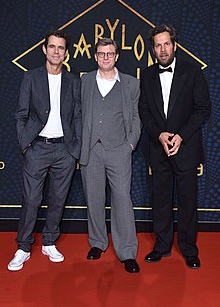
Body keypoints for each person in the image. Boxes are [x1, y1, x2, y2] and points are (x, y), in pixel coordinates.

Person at [8, 30, 81, 271]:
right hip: (37, 148)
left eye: (61, 48)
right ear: (44, 50)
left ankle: (50, 241)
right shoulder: (31, 78)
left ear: (66, 53)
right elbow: (21, 114)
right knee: (31, 199)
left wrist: (75, 149)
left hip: (64, 150)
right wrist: (25, 145)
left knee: (58, 199)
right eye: (52, 47)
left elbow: (78, 116)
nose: (56, 51)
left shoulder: (73, 81)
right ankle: (23, 246)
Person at [139, 24, 211, 269]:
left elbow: (203, 109)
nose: (162, 49)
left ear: (174, 45)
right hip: (159, 149)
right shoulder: (147, 75)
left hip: (186, 148)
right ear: (153, 49)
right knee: (160, 200)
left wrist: (180, 136)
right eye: (157, 45)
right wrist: (159, 134)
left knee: (187, 201)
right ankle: (162, 246)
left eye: (166, 44)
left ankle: (189, 249)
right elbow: (144, 111)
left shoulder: (192, 71)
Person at [80, 38, 141, 273]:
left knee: (122, 201)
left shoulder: (130, 84)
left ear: (116, 56)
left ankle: (127, 251)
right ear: (95, 56)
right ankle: (97, 243)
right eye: (101, 53)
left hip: (119, 150)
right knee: (94, 199)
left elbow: (136, 117)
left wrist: (130, 144)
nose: (105, 57)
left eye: (110, 53)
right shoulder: (84, 81)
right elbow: (76, 113)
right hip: (91, 150)